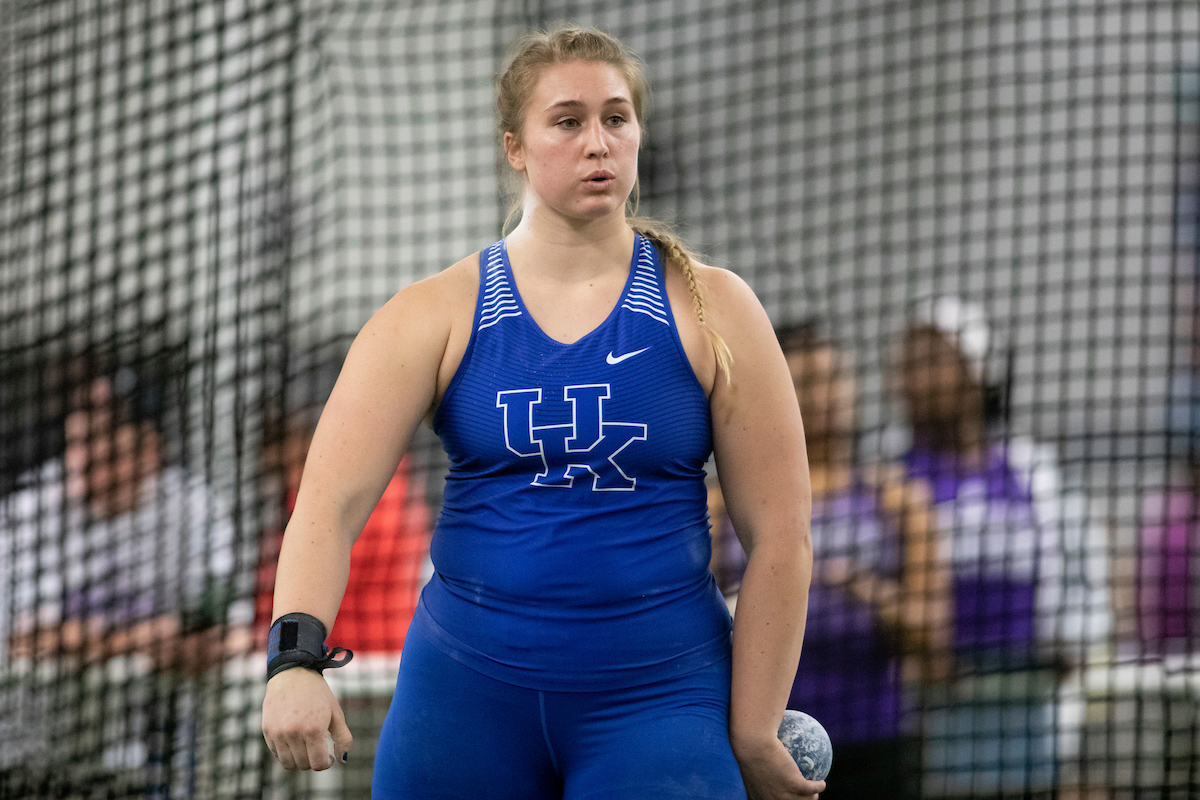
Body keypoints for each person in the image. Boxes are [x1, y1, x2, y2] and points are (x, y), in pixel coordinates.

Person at [261, 23, 820, 800]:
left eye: (616, 118)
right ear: (515, 148)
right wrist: (293, 661)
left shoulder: (713, 307)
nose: (598, 142)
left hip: (659, 702)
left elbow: (782, 538)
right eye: (568, 121)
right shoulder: (434, 314)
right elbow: (328, 502)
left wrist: (755, 729)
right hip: (465, 698)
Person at [710, 322, 951, 799]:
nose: (827, 396)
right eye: (807, 383)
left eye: (834, 379)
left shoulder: (897, 501)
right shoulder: (722, 503)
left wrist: (865, 590)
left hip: (874, 741)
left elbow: (935, 639)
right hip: (760, 747)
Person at [0, 364, 239, 795]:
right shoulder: (28, 512)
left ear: (150, 448)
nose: (83, 456)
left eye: (104, 438)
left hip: (157, 759)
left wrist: (86, 641)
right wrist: (146, 640)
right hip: (36, 759)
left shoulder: (192, 511)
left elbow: (231, 635)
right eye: (78, 438)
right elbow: (24, 637)